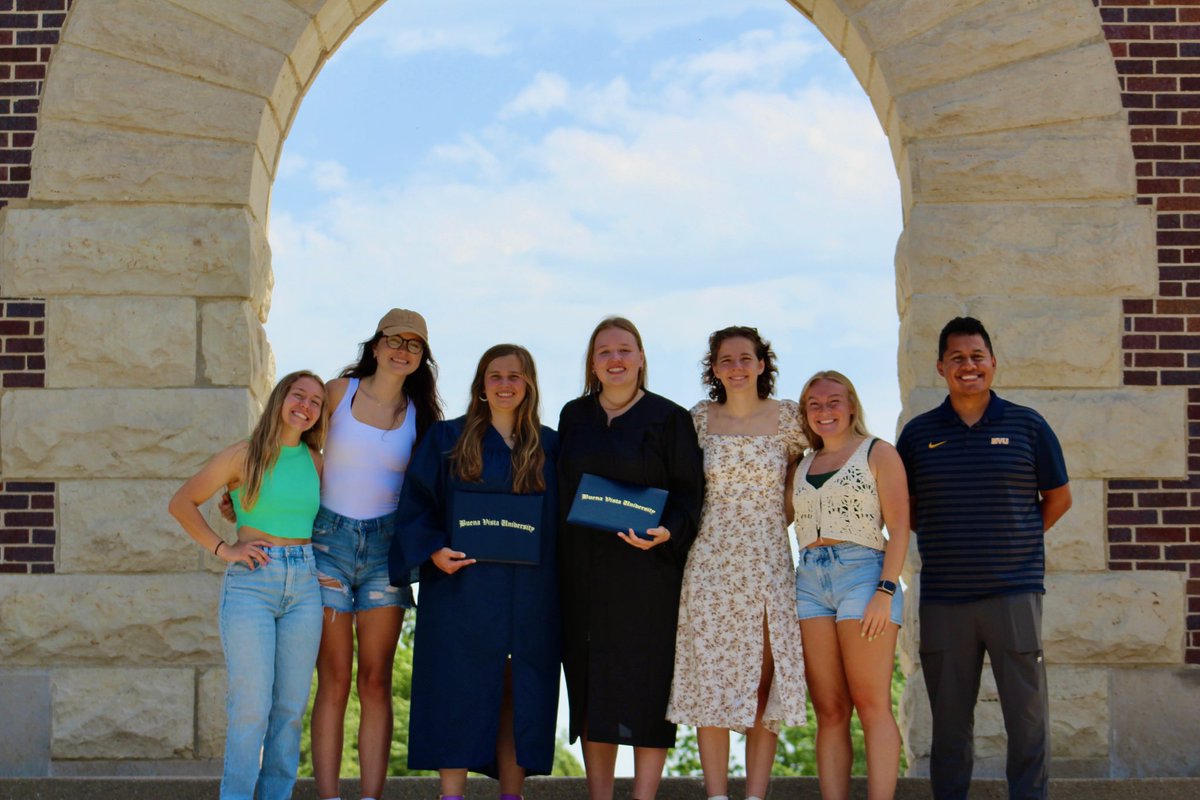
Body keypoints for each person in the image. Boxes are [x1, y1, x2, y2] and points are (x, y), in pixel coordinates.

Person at [896, 317, 1071, 800]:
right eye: (957, 358)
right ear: (940, 367)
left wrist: (1015, 538)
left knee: (1028, 719)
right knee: (950, 725)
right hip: (945, 600)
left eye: (976, 357)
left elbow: (1058, 498)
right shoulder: (917, 435)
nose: (967, 366)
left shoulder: (1028, 425)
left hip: (1014, 595)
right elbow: (905, 509)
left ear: (992, 363)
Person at [389, 344, 561, 798]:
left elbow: (566, 520)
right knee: (456, 686)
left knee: (519, 690)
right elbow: (416, 503)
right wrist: (433, 551)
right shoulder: (447, 439)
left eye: (515, 377)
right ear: (481, 386)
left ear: (529, 386)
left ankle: (512, 793)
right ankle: (452, 795)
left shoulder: (549, 445)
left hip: (530, 591)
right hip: (461, 589)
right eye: (496, 376)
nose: (505, 385)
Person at [557, 316, 705, 800]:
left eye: (625, 350)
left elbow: (689, 494)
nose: (615, 359)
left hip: (649, 576)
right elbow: (560, 493)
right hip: (585, 573)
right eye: (604, 352)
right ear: (592, 364)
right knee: (592, 687)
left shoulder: (670, 418)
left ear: (641, 358)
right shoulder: (573, 416)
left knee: (647, 689)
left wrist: (668, 532)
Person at [169, 371, 329, 800]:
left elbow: (328, 520)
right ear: (280, 398)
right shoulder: (243, 455)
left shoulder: (316, 461)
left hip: (305, 587)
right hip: (252, 585)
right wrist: (224, 549)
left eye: (316, 401)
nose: (306, 406)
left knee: (290, 710)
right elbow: (181, 502)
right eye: (299, 395)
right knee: (251, 709)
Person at [667, 326, 808, 800]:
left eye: (745, 358)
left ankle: (755, 795)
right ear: (714, 368)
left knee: (763, 680)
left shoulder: (790, 417)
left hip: (768, 557)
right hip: (709, 562)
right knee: (713, 679)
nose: (736, 367)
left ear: (762, 364)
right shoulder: (699, 420)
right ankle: (717, 795)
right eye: (725, 360)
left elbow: (816, 467)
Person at [308, 308, 441, 800]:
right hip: (327, 544)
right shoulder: (337, 394)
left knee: (376, 680)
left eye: (414, 345)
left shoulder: (421, 416)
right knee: (335, 678)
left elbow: (434, 490)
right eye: (395, 340)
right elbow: (294, 450)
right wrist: (241, 490)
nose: (402, 350)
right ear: (376, 344)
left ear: (422, 357)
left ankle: (371, 796)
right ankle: (328, 795)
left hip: (387, 549)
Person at [790, 370, 910, 800]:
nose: (825, 411)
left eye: (833, 401)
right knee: (830, 710)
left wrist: (886, 590)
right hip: (808, 580)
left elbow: (900, 527)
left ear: (852, 405)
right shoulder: (802, 464)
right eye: (815, 404)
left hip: (864, 574)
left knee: (871, 702)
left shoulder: (877, 453)